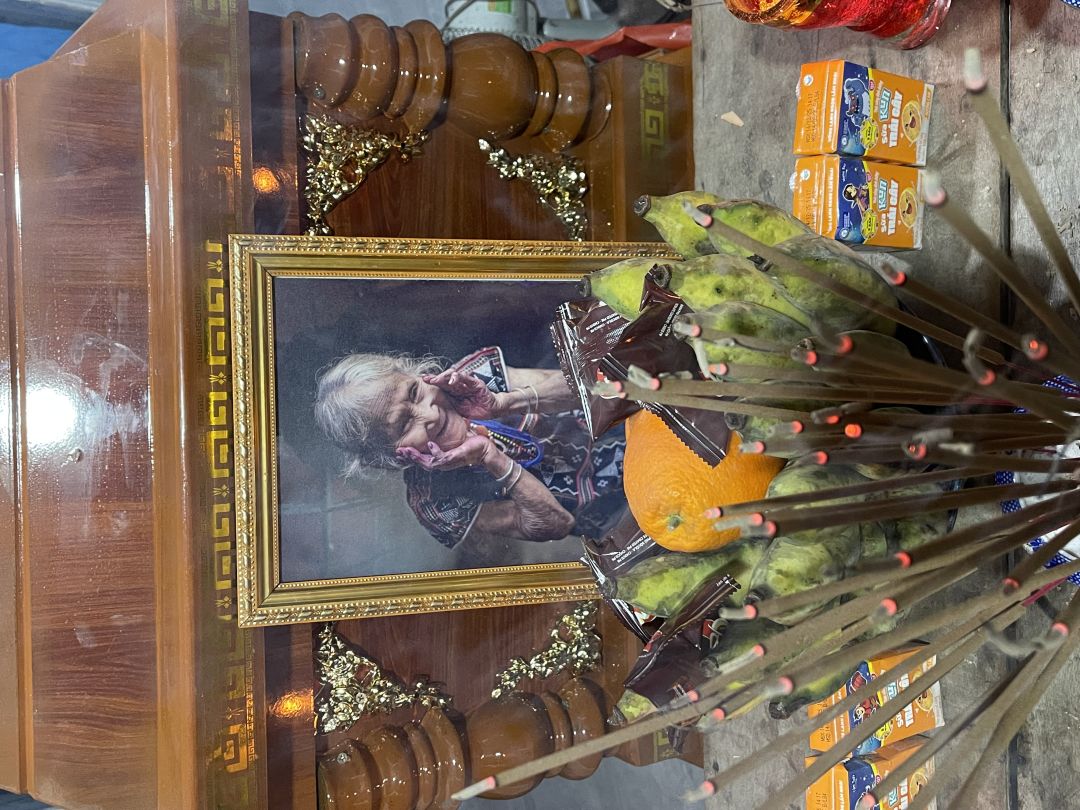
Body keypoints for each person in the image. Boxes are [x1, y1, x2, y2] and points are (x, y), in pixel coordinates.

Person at [314, 346, 626, 549]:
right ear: (386, 457)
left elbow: (606, 389)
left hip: (637, 422)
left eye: (415, 392)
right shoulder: (435, 502)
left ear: (416, 374)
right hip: (625, 515)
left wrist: (503, 402)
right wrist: (493, 459)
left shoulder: (473, 377)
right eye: (404, 425)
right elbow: (559, 525)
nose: (430, 414)